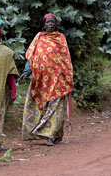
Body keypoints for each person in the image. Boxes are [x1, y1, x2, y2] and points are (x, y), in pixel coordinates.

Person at [21, 13, 73, 146]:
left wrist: (66, 75)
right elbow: (31, 55)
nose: (50, 24)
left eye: (52, 22)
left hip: (57, 79)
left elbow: (65, 58)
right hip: (40, 79)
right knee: (38, 104)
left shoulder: (60, 38)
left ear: (55, 24)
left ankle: (49, 135)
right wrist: (27, 71)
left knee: (55, 106)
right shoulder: (39, 37)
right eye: (48, 22)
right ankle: (45, 133)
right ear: (44, 24)